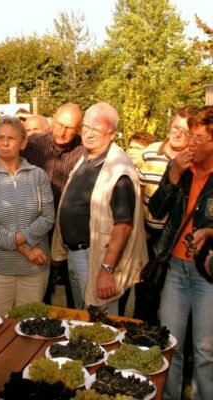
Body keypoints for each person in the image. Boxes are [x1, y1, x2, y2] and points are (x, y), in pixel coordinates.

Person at [52, 102, 148, 315]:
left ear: (112, 133)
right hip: (77, 254)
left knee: (100, 322)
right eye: (86, 127)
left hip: (96, 258)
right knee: (82, 317)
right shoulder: (88, 157)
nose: (88, 133)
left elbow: (123, 226)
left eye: (96, 129)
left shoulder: (118, 169)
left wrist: (107, 270)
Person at [148, 105, 213, 400]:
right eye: (190, 136)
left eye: (199, 139)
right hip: (174, 267)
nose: (191, 144)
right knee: (169, 343)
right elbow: (156, 209)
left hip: (207, 276)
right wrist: (173, 173)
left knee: (205, 350)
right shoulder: (181, 168)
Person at [0, 116, 55, 316]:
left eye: (11, 138)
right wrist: (25, 249)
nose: (5, 143)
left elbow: (48, 217)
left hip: (34, 270)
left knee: (30, 326)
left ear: (23, 142)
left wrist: (19, 239)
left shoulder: (38, 176)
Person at [135, 106, 198, 323]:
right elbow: (141, 192)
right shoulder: (150, 152)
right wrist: (141, 228)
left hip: (172, 240)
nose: (178, 133)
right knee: (145, 292)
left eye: (186, 131)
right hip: (146, 233)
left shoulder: (193, 161)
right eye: (175, 127)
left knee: (171, 300)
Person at [22, 102, 84, 307]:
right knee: (40, 287)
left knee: (72, 287)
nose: (62, 131)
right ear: (53, 120)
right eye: (59, 124)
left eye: (70, 128)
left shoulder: (85, 150)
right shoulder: (32, 144)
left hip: (68, 230)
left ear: (79, 129)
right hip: (36, 227)